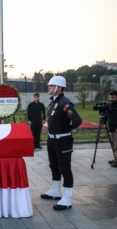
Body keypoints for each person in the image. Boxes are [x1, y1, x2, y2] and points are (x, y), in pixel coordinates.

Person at [40, 76, 82, 211]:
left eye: (51, 86)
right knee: (53, 165)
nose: (49, 87)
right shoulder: (53, 102)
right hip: (52, 139)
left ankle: (67, 198)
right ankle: (55, 190)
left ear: (59, 87)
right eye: (49, 86)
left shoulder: (65, 102)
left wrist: (65, 130)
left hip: (62, 140)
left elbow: (76, 120)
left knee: (64, 167)